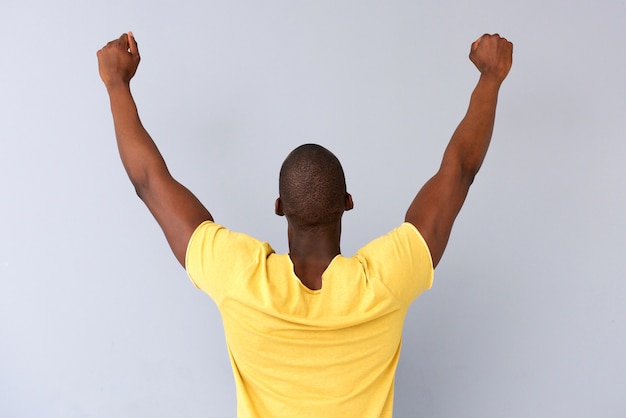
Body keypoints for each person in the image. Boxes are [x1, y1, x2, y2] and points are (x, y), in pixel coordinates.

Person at [97, 32, 513, 417]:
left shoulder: (240, 277)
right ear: (348, 204)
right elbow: (458, 171)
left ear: (280, 207)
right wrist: (490, 78)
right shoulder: (385, 280)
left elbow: (149, 181)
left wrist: (117, 84)